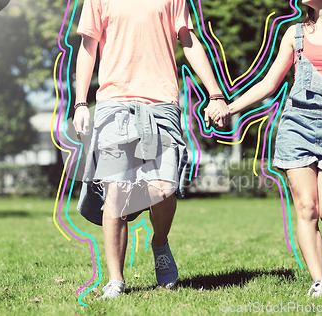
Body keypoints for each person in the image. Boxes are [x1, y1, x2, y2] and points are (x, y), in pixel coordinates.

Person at [215, 0, 322, 297]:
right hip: (295, 126)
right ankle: (320, 282)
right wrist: (230, 107)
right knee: (306, 208)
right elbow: (269, 83)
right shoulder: (295, 34)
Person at [72, 0, 230, 299]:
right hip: (114, 103)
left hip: (161, 103)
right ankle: (115, 280)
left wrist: (215, 93)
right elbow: (88, 46)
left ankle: (159, 242)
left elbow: (189, 41)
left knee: (163, 188)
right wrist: (81, 102)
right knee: (115, 189)